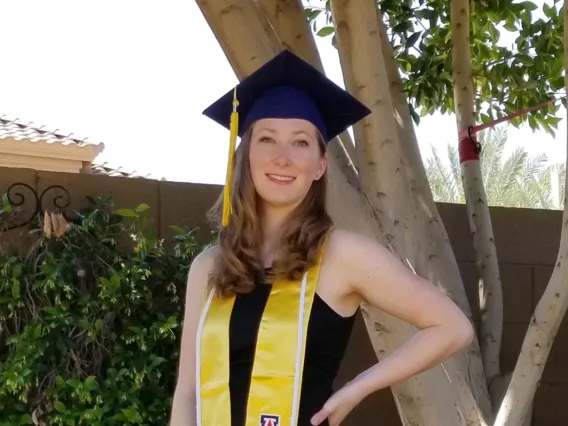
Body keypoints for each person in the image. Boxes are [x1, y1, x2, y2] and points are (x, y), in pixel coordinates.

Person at [170, 50, 474, 426]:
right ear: (246, 155)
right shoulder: (209, 267)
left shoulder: (342, 256)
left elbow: (452, 327)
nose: (282, 157)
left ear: (320, 165)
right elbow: (188, 392)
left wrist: (357, 388)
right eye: (267, 139)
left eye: (300, 142)